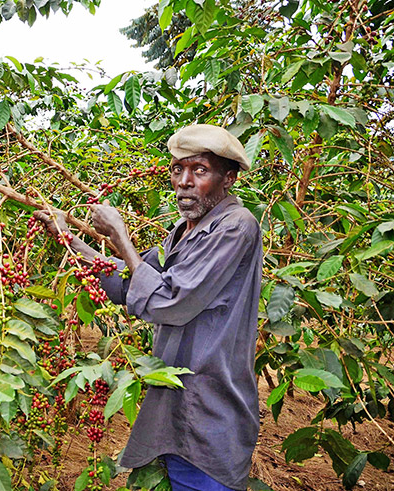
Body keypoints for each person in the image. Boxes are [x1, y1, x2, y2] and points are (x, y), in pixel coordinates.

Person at [35, 124, 262, 491]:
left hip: (209, 411)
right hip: (175, 407)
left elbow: (168, 302)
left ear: (228, 178)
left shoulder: (236, 227)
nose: (184, 181)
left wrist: (119, 235)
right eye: (177, 170)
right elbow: (129, 282)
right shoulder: (183, 230)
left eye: (199, 170)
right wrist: (69, 239)